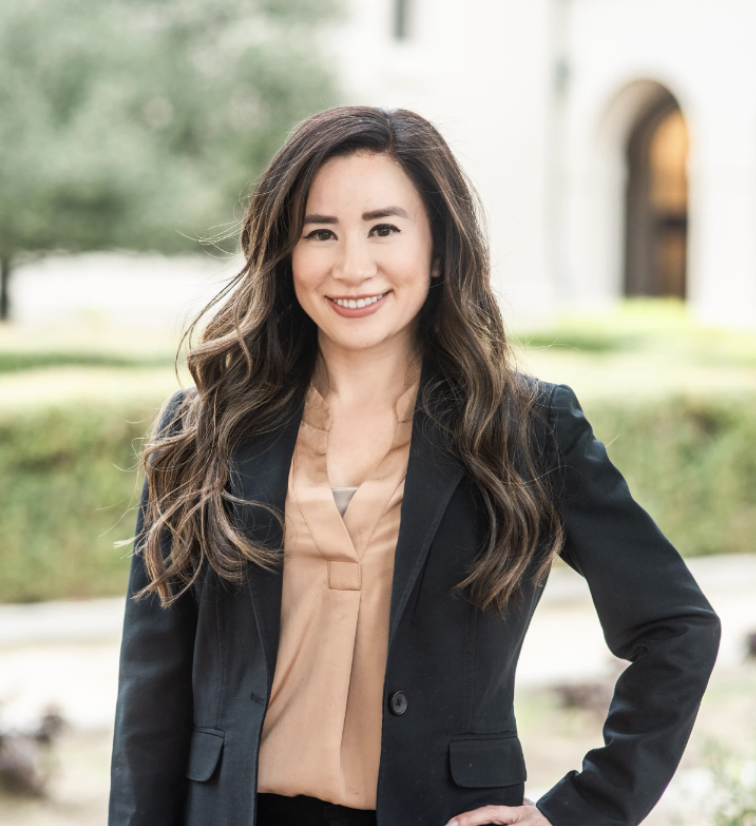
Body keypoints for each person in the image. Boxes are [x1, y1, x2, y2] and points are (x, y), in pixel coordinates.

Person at [108, 106, 721, 826]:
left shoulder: (526, 429)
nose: (352, 265)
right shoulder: (205, 427)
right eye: (320, 233)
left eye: (383, 228)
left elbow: (678, 628)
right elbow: (150, 696)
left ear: (436, 248)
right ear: (286, 252)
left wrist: (583, 811)